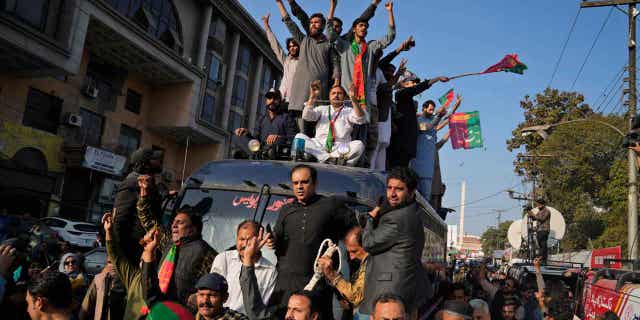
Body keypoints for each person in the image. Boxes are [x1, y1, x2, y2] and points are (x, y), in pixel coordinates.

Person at [265, 164, 357, 319]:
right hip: (287, 284)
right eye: (295, 183)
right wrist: (271, 240)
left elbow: (355, 234)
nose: (299, 187)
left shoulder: (331, 206)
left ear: (315, 183)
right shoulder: (286, 211)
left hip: (317, 283)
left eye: (304, 182)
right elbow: (278, 242)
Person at [137, 174, 218, 306]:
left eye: (180, 223)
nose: (173, 225)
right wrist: (144, 193)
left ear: (193, 229)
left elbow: (214, 284)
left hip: (183, 312)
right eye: (173, 222)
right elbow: (148, 220)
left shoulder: (205, 253)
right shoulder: (169, 243)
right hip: (158, 308)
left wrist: (197, 298)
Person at [360, 167, 430, 316]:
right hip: (402, 286)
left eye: (399, 189)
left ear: (411, 193)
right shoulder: (412, 211)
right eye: (389, 188)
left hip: (388, 290)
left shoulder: (397, 219)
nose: (392, 194)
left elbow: (369, 243)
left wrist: (370, 219)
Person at [274, 0, 337, 122]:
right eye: (311, 22)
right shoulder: (303, 41)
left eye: (316, 22)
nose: (313, 24)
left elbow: (335, 64)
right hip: (299, 101)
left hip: (319, 102)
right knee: (299, 137)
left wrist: (337, 79)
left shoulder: (328, 44)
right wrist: (279, 3)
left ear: (323, 25)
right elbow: (289, 22)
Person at [210, 220, 277, 314]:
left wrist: (248, 258)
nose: (245, 244)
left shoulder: (270, 270)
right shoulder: (224, 258)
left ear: (260, 240)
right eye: (241, 239)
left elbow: (260, 307)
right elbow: (212, 294)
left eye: (249, 239)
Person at [295, 82, 367, 165]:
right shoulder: (322, 109)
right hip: (319, 145)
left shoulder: (349, 110)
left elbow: (361, 119)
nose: (336, 95)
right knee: (299, 137)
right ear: (329, 97)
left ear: (345, 97)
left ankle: (325, 158)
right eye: (333, 93)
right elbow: (307, 116)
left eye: (339, 93)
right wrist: (312, 97)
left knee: (359, 145)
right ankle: (329, 159)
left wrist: (354, 101)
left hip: (340, 147)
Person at [113, 147, 163, 265]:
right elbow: (119, 220)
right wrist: (120, 254)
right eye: (154, 159)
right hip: (133, 253)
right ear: (145, 164)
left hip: (145, 249)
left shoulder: (148, 183)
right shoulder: (132, 184)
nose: (160, 161)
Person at [388, 71, 449, 168]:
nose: (415, 84)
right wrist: (437, 78)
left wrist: (440, 116)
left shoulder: (407, 101)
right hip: (402, 144)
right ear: (403, 83)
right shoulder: (402, 94)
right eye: (412, 82)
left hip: (407, 145)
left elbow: (428, 126)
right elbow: (419, 88)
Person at [232, 89, 299, 158]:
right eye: (269, 98)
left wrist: (279, 137)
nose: (272, 100)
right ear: (266, 101)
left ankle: (253, 155)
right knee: (238, 135)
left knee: (276, 141)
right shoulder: (261, 119)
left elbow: (295, 139)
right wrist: (246, 133)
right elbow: (256, 141)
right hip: (260, 150)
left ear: (280, 101)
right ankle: (257, 155)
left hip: (275, 151)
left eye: (275, 98)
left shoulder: (287, 118)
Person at [317, 226, 369, 313]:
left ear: (366, 245)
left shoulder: (371, 263)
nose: (351, 257)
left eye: (354, 251)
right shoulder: (364, 263)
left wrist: (331, 274)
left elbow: (355, 295)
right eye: (349, 252)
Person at [263, 14, 299, 102]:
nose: (292, 48)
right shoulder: (286, 61)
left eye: (294, 46)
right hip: (282, 98)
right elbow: (276, 47)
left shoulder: (303, 61)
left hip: (296, 100)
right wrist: (267, 28)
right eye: (290, 47)